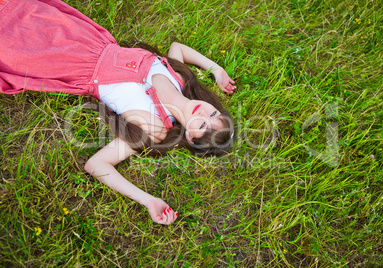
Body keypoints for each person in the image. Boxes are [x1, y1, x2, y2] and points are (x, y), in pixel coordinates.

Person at [0, 0, 236, 225]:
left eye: (203, 125)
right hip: (86, 38)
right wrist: (216, 69)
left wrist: (147, 200)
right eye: (214, 114)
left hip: (67, 62)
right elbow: (178, 48)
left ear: (190, 137)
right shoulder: (180, 78)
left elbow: (97, 164)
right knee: (25, 8)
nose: (203, 115)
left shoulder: (156, 128)